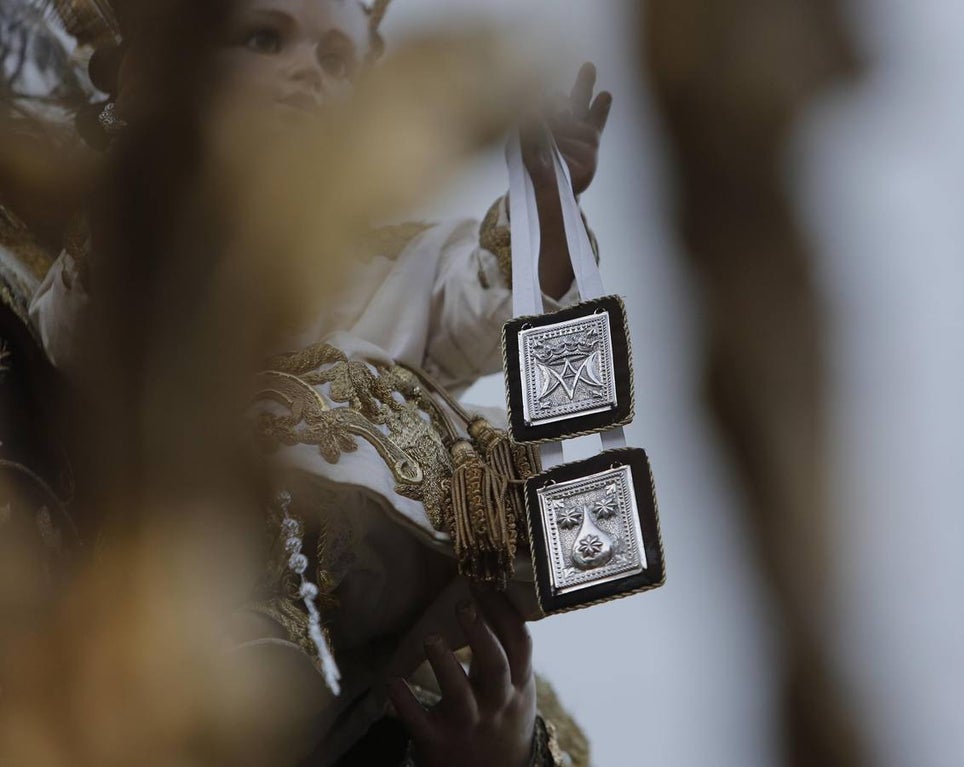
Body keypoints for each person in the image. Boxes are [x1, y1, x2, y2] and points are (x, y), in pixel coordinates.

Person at [24, 1, 609, 764]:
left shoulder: (402, 257)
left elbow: (498, 296)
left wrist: (547, 209)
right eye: (264, 38)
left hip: (392, 559)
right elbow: (75, 342)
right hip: (192, 581)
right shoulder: (133, 243)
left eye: (339, 61)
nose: (308, 73)